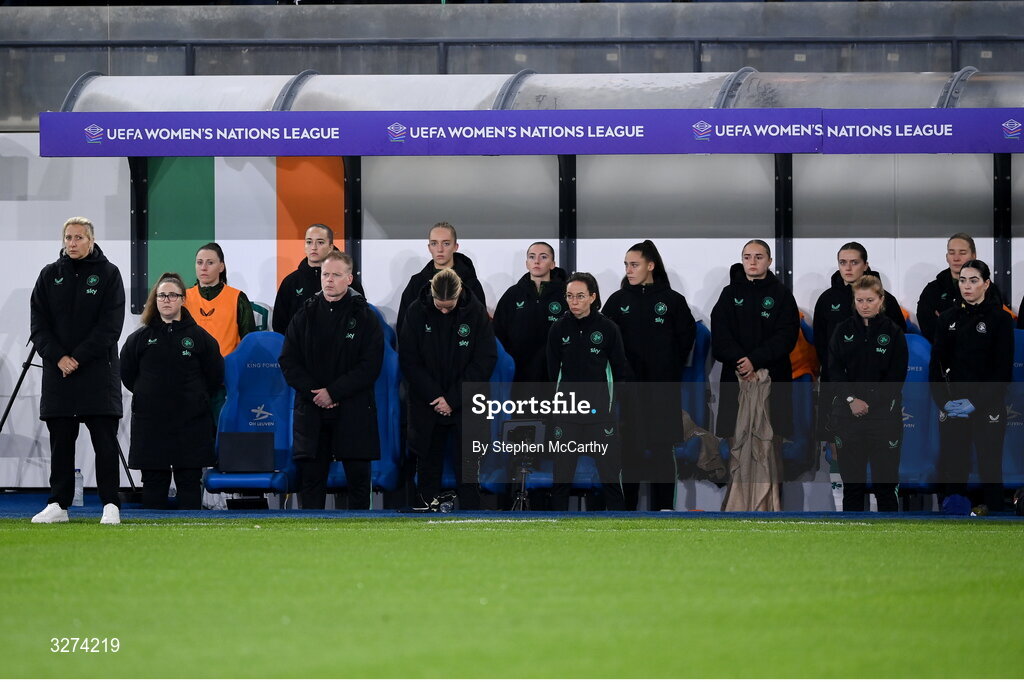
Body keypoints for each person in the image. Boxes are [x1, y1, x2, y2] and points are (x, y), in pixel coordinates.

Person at [30, 217, 125, 524]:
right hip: (59, 374)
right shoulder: (49, 275)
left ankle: (111, 504)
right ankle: (58, 504)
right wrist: (59, 357)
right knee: (60, 441)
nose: (72, 243)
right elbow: (39, 325)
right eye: (68, 237)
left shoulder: (109, 274)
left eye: (78, 237)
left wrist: (78, 358)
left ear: (91, 240)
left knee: (105, 442)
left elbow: (110, 327)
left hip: (97, 373)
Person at [279, 251, 384, 510]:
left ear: (349, 278)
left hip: (354, 409)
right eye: (326, 274)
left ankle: (362, 541)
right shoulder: (305, 313)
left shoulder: (366, 316)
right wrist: (316, 393)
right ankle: (310, 542)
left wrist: (333, 393)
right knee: (311, 482)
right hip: (312, 410)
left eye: (336, 275)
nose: (329, 280)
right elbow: (288, 361)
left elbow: (370, 366)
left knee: (358, 483)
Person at [604, 240, 695, 511]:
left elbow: (685, 340)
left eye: (634, 264)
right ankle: (626, 509)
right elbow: (605, 341)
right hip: (627, 391)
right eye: (626, 265)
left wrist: (666, 370)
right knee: (629, 449)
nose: (629, 270)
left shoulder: (672, 301)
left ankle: (664, 509)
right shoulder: (617, 301)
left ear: (650, 266)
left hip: (661, 390)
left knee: (662, 449)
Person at [120, 273, 224, 510]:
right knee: (154, 488)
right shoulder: (139, 339)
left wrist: (194, 399)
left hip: (191, 424)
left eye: (172, 295)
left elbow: (214, 376)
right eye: (161, 295)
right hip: (151, 423)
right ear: (155, 300)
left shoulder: (201, 339)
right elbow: (127, 374)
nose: (166, 300)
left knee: (189, 485)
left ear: (183, 299)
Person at [710, 239, 799, 512]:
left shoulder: (782, 295)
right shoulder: (728, 294)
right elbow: (720, 333)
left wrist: (756, 361)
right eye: (747, 256)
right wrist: (741, 363)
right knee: (737, 444)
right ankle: (737, 507)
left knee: (771, 445)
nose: (752, 261)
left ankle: (772, 507)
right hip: (736, 383)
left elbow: (787, 336)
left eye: (759, 256)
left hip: (773, 382)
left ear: (769, 261)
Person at [399, 268, 496, 510]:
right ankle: (425, 522)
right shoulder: (415, 312)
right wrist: (435, 396)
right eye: (439, 305)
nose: (443, 310)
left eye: (448, 306)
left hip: (466, 403)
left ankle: (473, 521)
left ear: (459, 292)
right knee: (428, 468)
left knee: (468, 470)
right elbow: (409, 360)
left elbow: (484, 361)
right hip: (427, 402)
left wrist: (452, 399)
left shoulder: (476, 313)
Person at [929, 259, 1014, 512]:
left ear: (986, 284)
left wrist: (975, 403)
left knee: (990, 465)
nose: (967, 286)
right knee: (954, 466)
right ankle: (954, 519)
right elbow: (936, 367)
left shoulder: (1000, 320)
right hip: (954, 407)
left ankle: (997, 520)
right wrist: (945, 403)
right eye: (963, 280)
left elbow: (1001, 372)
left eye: (973, 280)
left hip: (987, 407)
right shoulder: (946, 319)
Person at [547, 272, 632, 511]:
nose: (574, 301)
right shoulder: (558, 329)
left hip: (600, 418)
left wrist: (610, 408)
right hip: (567, 416)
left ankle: (619, 529)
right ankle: (557, 531)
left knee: (611, 479)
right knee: (561, 480)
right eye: (570, 296)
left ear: (593, 297)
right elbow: (553, 374)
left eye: (580, 296)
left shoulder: (608, 329)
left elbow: (619, 372)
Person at [826, 275, 908, 512]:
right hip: (848, 418)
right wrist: (851, 400)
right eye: (860, 300)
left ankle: (890, 539)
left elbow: (896, 378)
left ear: (881, 300)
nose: (864, 305)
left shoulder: (893, 333)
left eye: (870, 300)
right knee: (852, 486)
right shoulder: (842, 331)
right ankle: (851, 543)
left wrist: (867, 402)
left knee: (886, 485)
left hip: (884, 419)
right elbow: (833, 370)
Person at [813, 242, 907, 382]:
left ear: (865, 265)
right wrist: (833, 369)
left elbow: (898, 338)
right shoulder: (826, 299)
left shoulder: (886, 299)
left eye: (854, 262)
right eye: (843, 262)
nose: (848, 268)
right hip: (836, 380)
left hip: (877, 381)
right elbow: (820, 340)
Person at [493, 241, 568, 384]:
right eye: (532, 257)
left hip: (557, 376)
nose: (537, 261)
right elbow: (498, 334)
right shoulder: (512, 294)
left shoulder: (566, 294)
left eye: (543, 257)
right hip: (520, 376)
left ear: (553, 264)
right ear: (527, 263)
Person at [272, 223, 365, 334]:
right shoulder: (291, 282)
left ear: (330, 247)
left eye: (320, 242)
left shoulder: (347, 281)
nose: (314, 247)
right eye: (309, 242)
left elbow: (361, 319)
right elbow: (279, 324)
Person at [396, 222, 487, 335]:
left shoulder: (471, 284)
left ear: (455, 247)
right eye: (434, 243)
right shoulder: (417, 283)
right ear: (429, 247)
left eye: (446, 243)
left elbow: (482, 327)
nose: (440, 249)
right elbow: (404, 327)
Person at [917, 233, 1004, 342]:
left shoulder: (989, 289)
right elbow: (928, 327)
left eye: (962, 253)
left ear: (973, 256)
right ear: (946, 257)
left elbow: (991, 325)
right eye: (951, 252)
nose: (956, 258)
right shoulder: (932, 290)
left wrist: (946, 322)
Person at [184, 242, 255, 357]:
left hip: (228, 366)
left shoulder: (237, 297)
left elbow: (249, 340)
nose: (203, 268)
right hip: (192, 368)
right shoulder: (183, 298)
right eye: (199, 262)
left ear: (221, 267)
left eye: (210, 263)